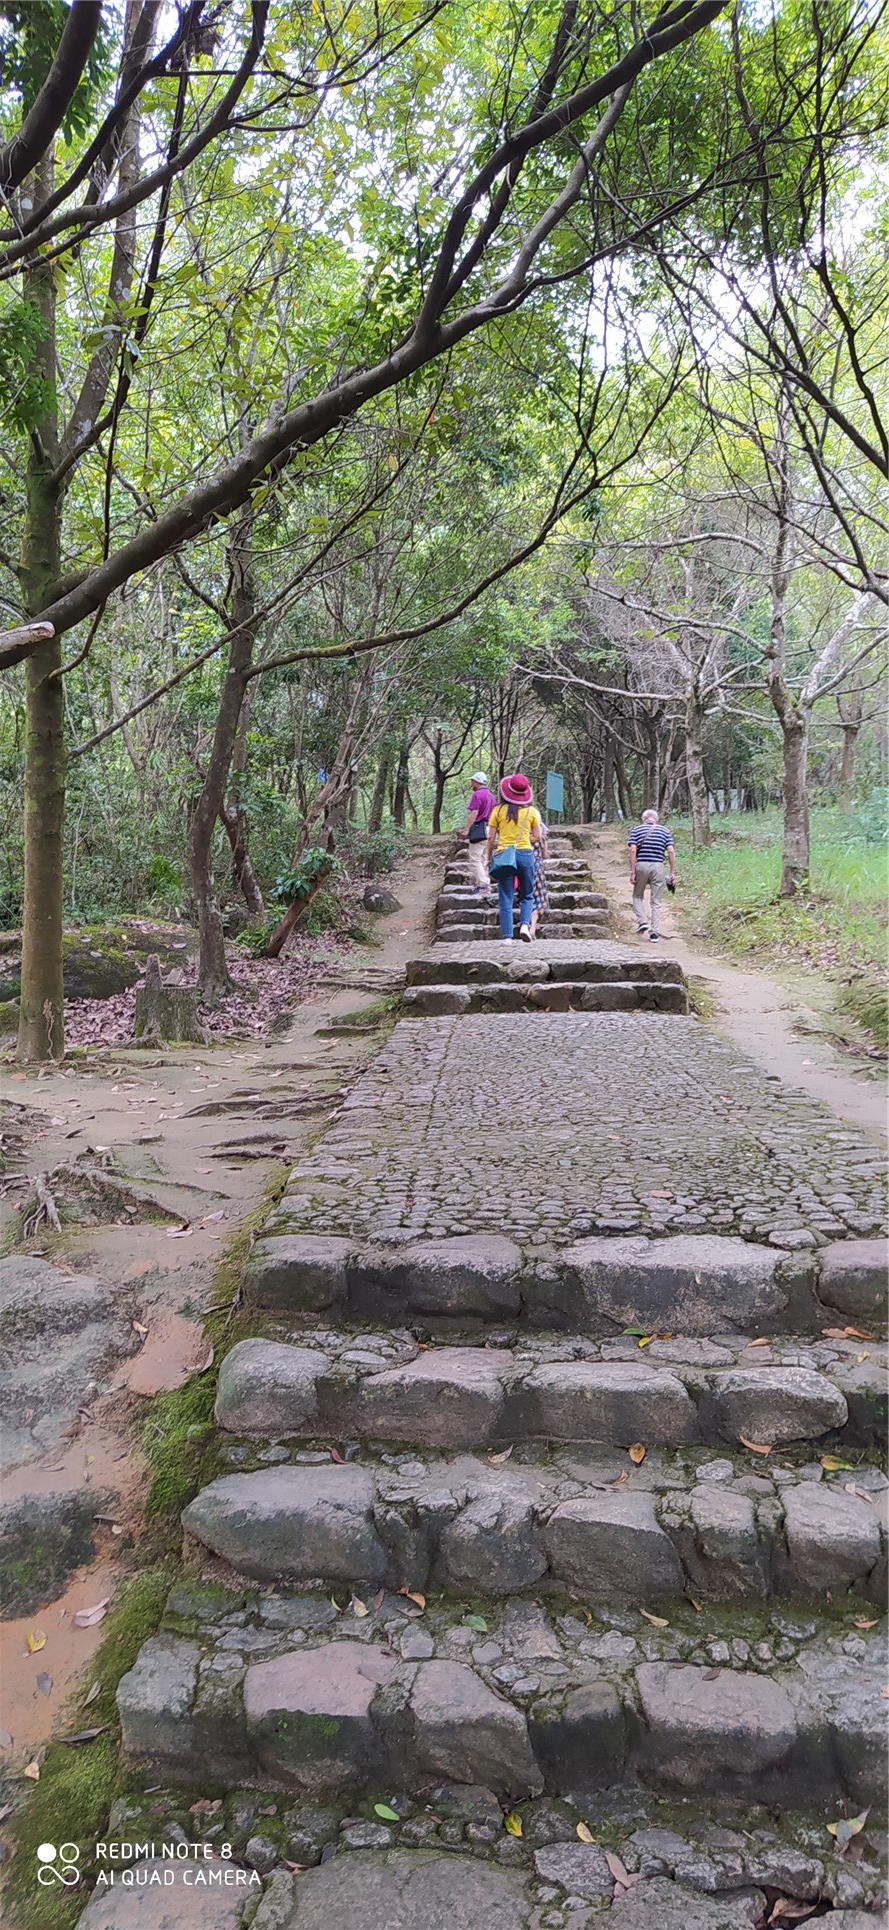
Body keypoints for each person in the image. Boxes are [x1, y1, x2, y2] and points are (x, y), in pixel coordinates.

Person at [486, 773, 541, 942]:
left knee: (506, 896)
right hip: (525, 854)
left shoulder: (497, 810)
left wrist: (489, 857)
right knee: (527, 894)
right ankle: (524, 925)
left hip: (504, 856)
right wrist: (524, 840)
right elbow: (537, 837)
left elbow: (490, 838)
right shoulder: (531, 811)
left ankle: (508, 937)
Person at [628, 807, 676, 941]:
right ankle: (654, 933)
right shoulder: (665, 831)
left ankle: (643, 921)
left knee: (637, 896)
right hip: (658, 867)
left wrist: (632, 871)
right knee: (656, 901)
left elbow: (632, 851)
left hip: (641, 865)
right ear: (656, 819)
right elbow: (671, 851)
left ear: (643, 819)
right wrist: (672, 872)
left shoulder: (636, 830)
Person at [458, 770, 496, 897]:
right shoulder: (491, 796)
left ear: (476, 782)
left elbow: (474, 813)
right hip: (490, 829)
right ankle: (485, 882)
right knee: (484, 857)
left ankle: (483, 884)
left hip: (480, 828)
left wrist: (467, 829)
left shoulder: (477, 795)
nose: (471, 784)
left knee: (474, 858)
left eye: (472, 781)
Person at [529, 816, 549, 938]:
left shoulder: (523, 833)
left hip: (523, 866)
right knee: (538, 899)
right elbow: (545, 854)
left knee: (525, 897)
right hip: (538, 868)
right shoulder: (542, 835)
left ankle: (524, 925)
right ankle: (532, 927)